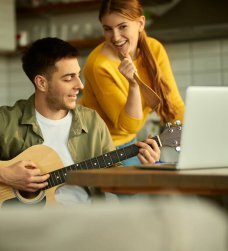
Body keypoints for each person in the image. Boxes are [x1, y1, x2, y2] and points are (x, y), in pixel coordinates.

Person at [0, 37, 160, 206]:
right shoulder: (7, 120)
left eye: (78, 75)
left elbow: (119, 188)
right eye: (68, 78)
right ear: (42, 83)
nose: (79, 85)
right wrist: (6, 175)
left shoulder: (91, 122)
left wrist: (145, 169)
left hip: (84, 228)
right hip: (28, 233)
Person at [79, 0, 185, 166]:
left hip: (130, 143)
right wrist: (133, 84)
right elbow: (127, 126)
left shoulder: (154, 49)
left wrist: (187, 135)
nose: (115, 37)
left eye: (122, 27)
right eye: (108, 29)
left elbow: (174, 104)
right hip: (98, 150)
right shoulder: (98, 65)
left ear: (140, 23)